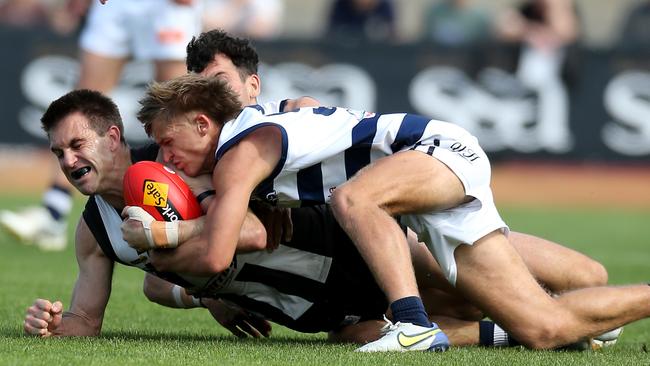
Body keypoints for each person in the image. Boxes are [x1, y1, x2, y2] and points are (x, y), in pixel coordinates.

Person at [23, 89, 617, 350]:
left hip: (349, 239)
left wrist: (174, 243)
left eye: (77, 145)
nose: (69, 161)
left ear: (111, 135)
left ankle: (573, 311)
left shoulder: (177, 161)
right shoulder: (95, 231)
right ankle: (524, 330)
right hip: (306, 304)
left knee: (560, 279)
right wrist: (54, 324)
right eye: (58, 154)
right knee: (368, 333)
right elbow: (91, 320)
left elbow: (247, 233)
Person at [0, 0, 203, 251]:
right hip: (116, 5)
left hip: (164, 6)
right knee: (82, 103)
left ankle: (193, 210)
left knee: (177, 108)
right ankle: (53, 214)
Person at [423, 0, 491, 47]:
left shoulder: (480, 18)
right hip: (440, 58)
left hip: (468, 60)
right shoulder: (435, 12)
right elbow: (427, 40)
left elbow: (483, 46)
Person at [326, 0, 396, 42]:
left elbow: (392, 36)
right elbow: (331, 35)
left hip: (376, 55)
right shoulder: (341, 6)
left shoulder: (384, 7)